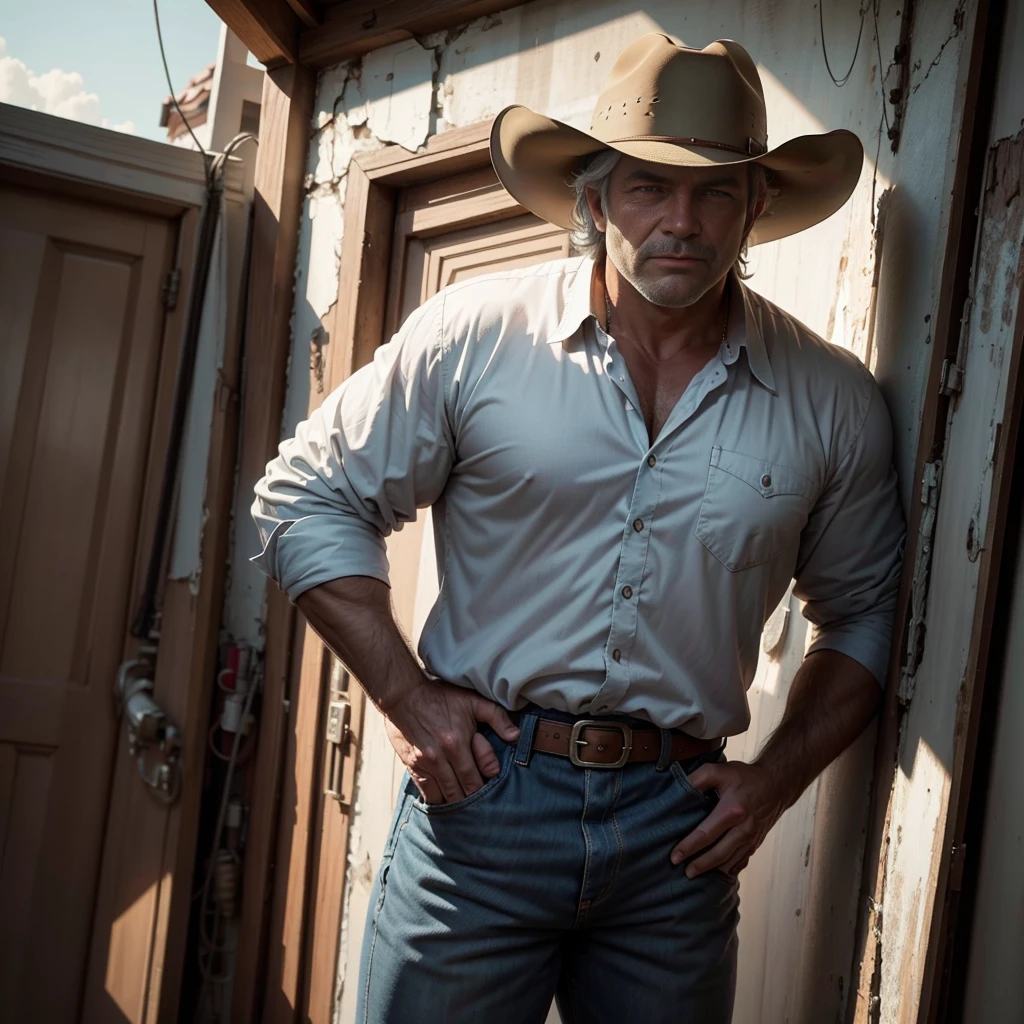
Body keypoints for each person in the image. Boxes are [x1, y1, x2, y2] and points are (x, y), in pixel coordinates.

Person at [252, 32, 905, 1024]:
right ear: (595, 201)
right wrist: (408, 695)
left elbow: (863, 614)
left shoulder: (832, 400)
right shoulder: (476, 334)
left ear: (755, 207)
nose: (680, 221)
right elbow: (306, 497)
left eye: (715, 192)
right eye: (648, 187)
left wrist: (772, 781)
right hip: (484, 808)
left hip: (679, 835)